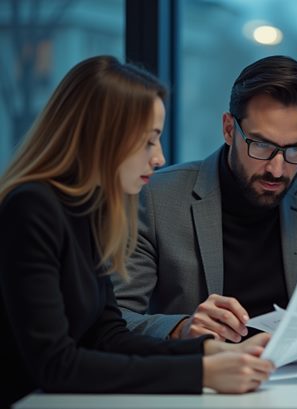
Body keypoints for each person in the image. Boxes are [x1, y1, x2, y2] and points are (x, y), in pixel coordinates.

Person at [0, 55, 274, 407]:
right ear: (102, 137)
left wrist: (209, 352)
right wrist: (202, 374)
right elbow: (57, 365)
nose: (159, 158)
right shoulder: (32, 208)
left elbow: (108, 335)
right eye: (148, 141)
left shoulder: (89, 211)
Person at [113, 55, 297, 368]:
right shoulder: (157, 197)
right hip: (206, 388)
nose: (277, 169)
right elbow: (115, 320)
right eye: (262, 146)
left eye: (295, 149)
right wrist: (180, 330)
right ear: (228, 129)